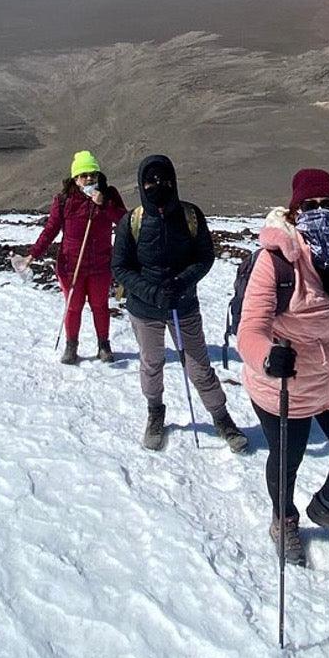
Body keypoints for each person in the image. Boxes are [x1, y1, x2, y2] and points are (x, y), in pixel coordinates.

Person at [237, 168, 329, 567]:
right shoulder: (277, 262)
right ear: (295, 212)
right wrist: (267, 357)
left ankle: (326, 506)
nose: (321, 213)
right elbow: (250, 328)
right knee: (286, 464)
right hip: (286, 383)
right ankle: (283, 520)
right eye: (311, 206)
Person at [110, 153, 249, 454]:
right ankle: (155, 412)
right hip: (144, 309)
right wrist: (152, 292)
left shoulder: (191, 216)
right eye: (151, 181)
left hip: (183, 306)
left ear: (174, 181)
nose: (158, 185)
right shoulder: (131, 222)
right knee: (151, 363)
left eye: (164, 180)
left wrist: (181, 283)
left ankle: (222, 418)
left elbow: (204, 257)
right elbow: (120, 267)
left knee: (199, 367)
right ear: (141, 184)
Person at [23, 151, 127, 365]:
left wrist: (104, 205)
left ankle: (103, 345)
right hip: (71, 266)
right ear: (75, 179)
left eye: (93, 174)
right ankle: (71, 346)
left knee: (100, 306)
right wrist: (33, 254)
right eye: (83, 175)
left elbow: (124, 222)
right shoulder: (64, 200)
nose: (89, 179)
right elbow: (51, 230)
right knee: (73, 306)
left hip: (100, 264)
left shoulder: (109, 195)